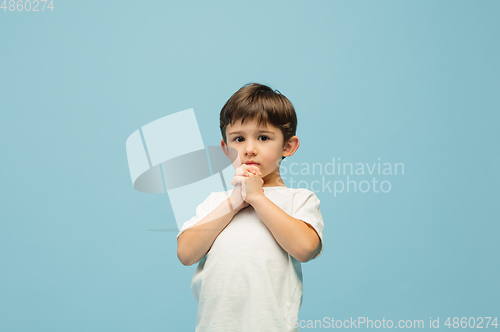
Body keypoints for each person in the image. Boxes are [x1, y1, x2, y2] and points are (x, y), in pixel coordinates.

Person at [177, 83, 324, 332]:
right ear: (225, 148)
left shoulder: (299, 199)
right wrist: (235, 202)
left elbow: (305, 248)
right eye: (238, 139)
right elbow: (186, 253)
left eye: (264, 137)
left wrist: (257, 198)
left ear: (287, 146)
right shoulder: (216, 202)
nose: (249, 149)